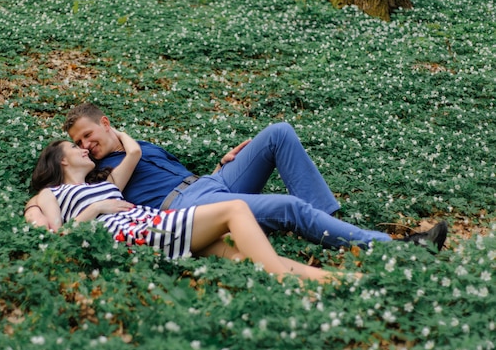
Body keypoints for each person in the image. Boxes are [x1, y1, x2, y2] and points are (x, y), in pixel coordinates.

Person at [36, 103, 446, 251]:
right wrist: (124, 143)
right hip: (188, 206)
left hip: (209, 184)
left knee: (278, 133)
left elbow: (179, 175)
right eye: (79, 143)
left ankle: (331, 220)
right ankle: (395, 248)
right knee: (286, 207)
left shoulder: (140, 146)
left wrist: (222, 166)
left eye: (88, 135)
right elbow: (116, 197)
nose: (86, 146)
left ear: (104, 123)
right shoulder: (102, 174)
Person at [26, 130, 342, 283]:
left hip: (154, 223)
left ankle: (330, 280)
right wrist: (95, 210)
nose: (84, 150)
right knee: (235, 211)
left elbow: (133, 152)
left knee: (240, 252)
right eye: (75, 147)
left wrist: (111, 131)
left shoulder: (102, 183)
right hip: (138, 234)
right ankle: (284, 282)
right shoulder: (50, 194)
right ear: (61, 160)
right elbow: (60, 236)